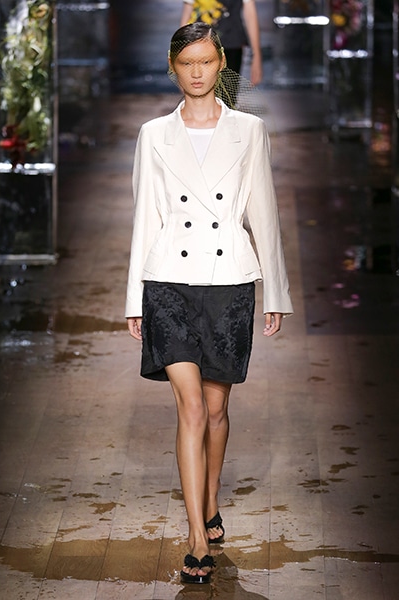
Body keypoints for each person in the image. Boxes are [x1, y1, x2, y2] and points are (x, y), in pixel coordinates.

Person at [125, 22, 293, 584]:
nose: (196, 73)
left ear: (221, 63)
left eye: (205, 61)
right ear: (173, 67)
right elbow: (145, 216)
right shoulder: (154, 134)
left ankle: (212, 497)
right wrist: (133, 298)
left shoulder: (250, 130)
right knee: (192, 408)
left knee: (217, 411)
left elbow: (264, 212)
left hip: (229, 283)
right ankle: (196, 536)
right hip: (169, 282)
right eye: (186, 63)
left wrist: (276, 290)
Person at [180, 0, 263, 86]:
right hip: (200, 46)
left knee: (226, 91)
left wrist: (257, 56)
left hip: (231, 47)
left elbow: (250, 13)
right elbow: (187, 15)